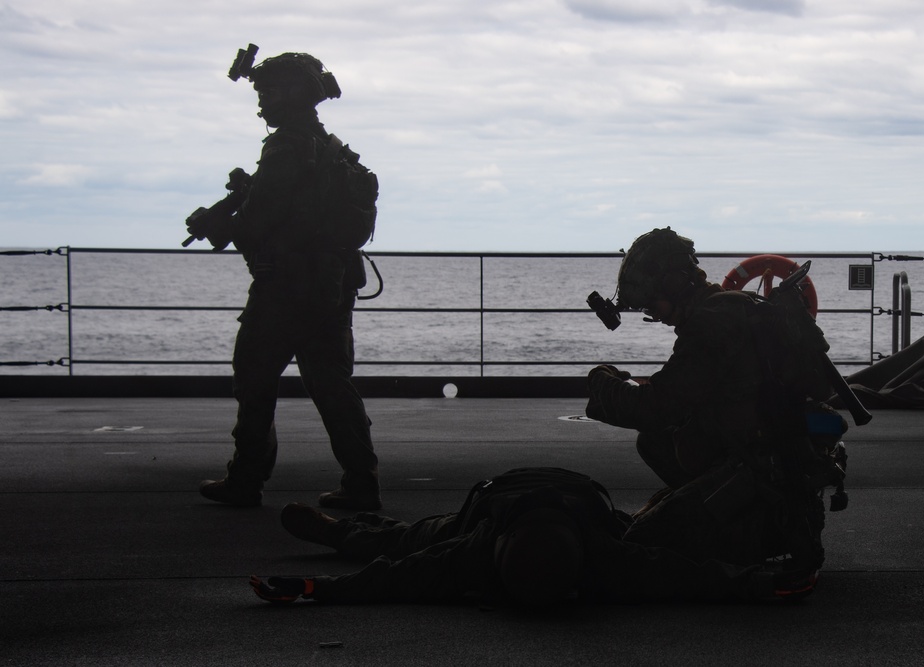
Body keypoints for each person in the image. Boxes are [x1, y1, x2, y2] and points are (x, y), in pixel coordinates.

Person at [585, 228, 846, 575]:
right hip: (768, 458)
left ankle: (748, 539)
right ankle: (738, 523)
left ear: (677, 285)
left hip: (756, 471)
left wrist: (601, 382)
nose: (657, 315)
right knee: (655, 442)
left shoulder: (711, 323)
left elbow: (655, 407)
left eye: (654, 304)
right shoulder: (731, 308)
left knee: (640, 543)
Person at [192, 50, 380, 510]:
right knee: (333, 386)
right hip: (330, 285)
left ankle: (246, 480)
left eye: (269, 92)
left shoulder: (284, 148)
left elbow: (259, 220)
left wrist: (216, 225)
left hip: (285, 287)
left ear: (294, 94)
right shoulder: (332, 149)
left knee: (254, 380)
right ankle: (361, 483)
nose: (262, 104)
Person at [249, 467, 810, 605]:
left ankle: (345, 532)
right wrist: (765, 582)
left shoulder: (600, 556)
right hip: (498, 506)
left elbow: (687, 576)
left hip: (566, 504)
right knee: (403, 542)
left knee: (407, 545)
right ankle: (343, 531)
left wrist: (310, 589)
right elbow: (392, 578)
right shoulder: (476, 550)